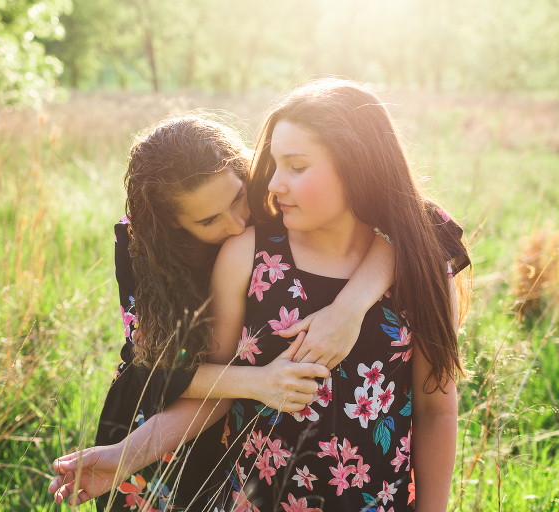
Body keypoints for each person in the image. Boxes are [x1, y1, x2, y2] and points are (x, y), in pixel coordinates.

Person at [49, 114, 397, 510]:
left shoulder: (274, 193)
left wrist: (349, 308)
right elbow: (159, 367)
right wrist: (258, 382)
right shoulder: (142, 248)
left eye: (236, 198)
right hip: (162, 425)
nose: (236, 224)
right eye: (209, 220)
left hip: (250, 431)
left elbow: (425, 230)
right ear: (173, 226)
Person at [207, 78, 471, 512]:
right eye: (274, 164)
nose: (274, 184)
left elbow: (435, 411)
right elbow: (210, 388)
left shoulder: (421, 270)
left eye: (297, 166)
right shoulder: (249, 255)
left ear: (356, 166)